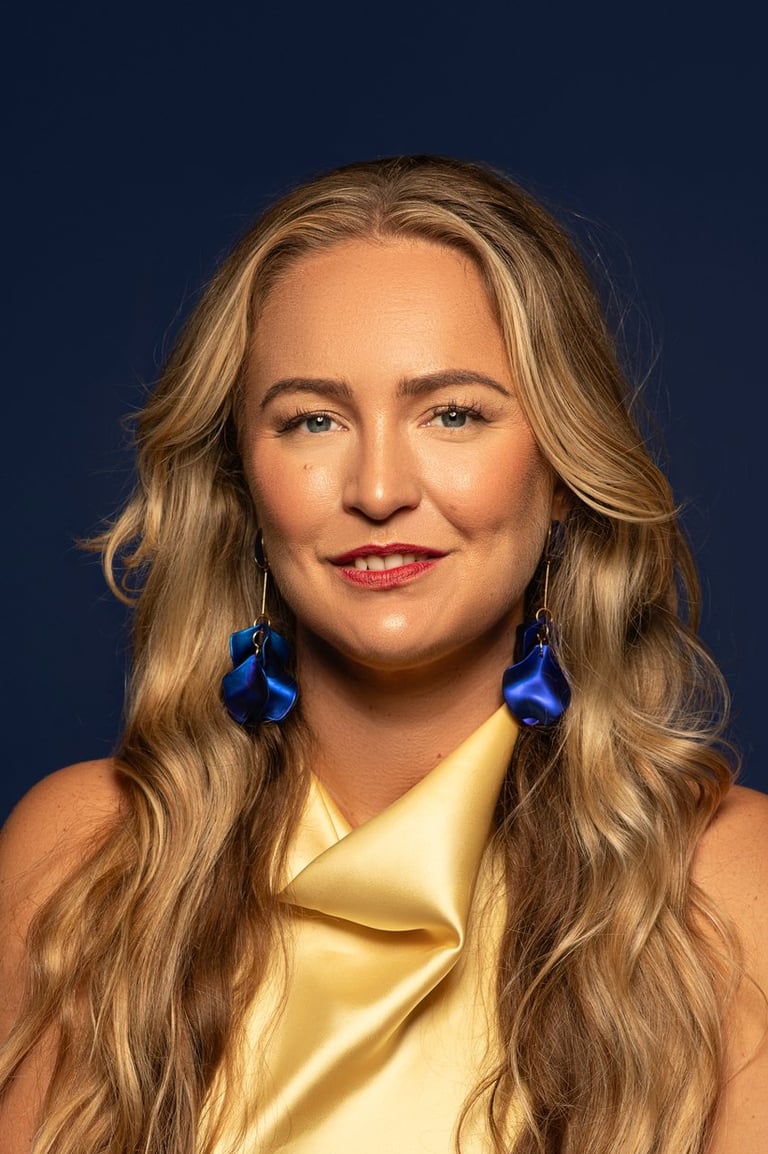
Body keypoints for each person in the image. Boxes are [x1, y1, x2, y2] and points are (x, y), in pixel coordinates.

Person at [1, 155, 766, 1154]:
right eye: (312, 420)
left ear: (563, 468)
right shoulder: (83, 854)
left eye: (453, 413)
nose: (376, 489)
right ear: (242, 482)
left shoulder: (727, 884)